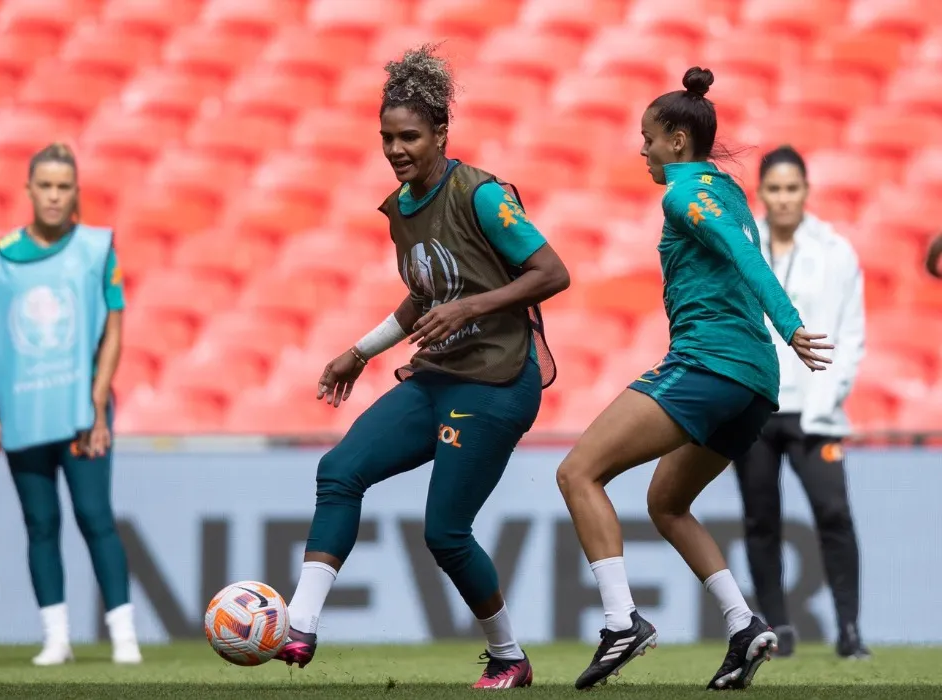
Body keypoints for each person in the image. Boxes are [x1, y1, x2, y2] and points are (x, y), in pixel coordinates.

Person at [273, 44, 568, 689]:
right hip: (438, 376)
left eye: (410, 136)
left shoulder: (483, 195)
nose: (397, 149)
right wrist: (359, 351)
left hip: (495, 380)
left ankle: (509, 656)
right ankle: (299, 625)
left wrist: (473, 304)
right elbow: (426, 291)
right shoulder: (401, 208)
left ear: (441, 133)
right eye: (387, 137)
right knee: (340, 470)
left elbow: (553, 272)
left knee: (444, 532)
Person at [555, 68, 835, 691]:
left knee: (578, 472)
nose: (643, 149)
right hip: (755, 384)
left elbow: (743, 256)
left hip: (711, 363)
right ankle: (743, 626)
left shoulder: (684, 195)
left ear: (678, 140)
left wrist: (790, 324)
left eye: (649, 138)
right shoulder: (726, 188)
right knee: (667, 503)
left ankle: (620, 621)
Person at [0, 143, 140, 666]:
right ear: (28, 191)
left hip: (79, 411)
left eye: (63, 187)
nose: (53, 195)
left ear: (76, 194)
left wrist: (96, 401)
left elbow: (114, 326)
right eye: (44, 185)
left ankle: (124, 638)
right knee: (40, 523)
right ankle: (56, 637)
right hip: (23, 408)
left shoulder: (96, 249)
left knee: (95, 516)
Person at [733, 145, 868, 659]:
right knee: (760, 520)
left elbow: (851, 334)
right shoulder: (743, 247)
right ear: (761, 194)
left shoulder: (835, 250)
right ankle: (779, 632)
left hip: (817, 410)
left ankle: (850, 630)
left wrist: (828, 397)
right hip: (759, 405)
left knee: (834, 514)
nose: (784, 198)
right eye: (774, 188)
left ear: (806, 191)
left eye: (792, 188)